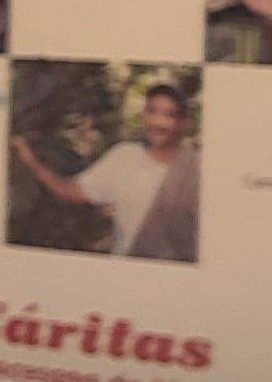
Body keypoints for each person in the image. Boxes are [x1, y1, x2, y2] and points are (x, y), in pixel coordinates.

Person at [12, 82, 200, 261]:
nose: (158, 122)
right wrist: (31, 162)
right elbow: (74, 192)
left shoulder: (196, 168)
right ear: (144, 116)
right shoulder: (125, 156)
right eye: (152, 112)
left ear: (183, 123)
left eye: (169, 115)